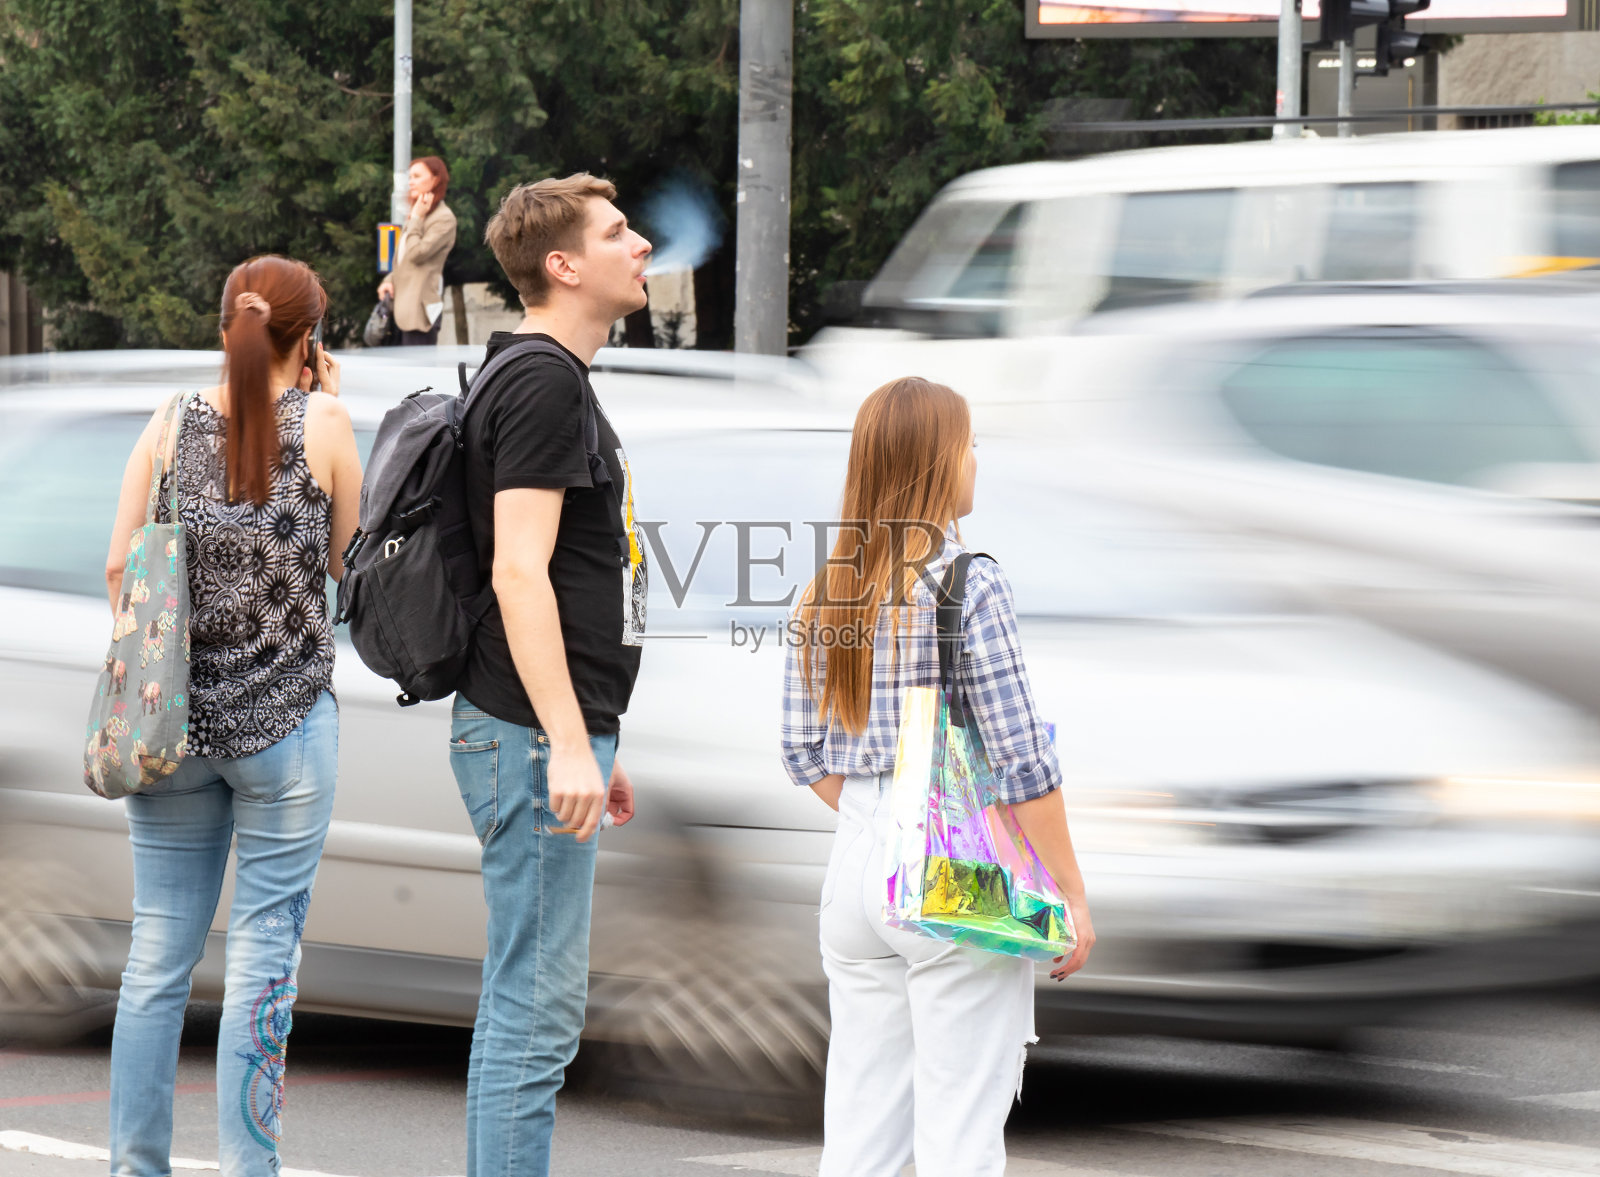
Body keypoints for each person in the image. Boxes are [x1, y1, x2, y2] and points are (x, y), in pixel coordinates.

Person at [780, 377, 1097, 1177]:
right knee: (960, 1129)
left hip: (855, 865)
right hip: (953, 867)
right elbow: (1022, 760)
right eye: (968, 445)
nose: (976, 461)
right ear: (935, 464)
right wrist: (1069, 893)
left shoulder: (827, 588)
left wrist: (880, 813)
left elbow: (801, 751)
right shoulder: (969, 583)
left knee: (861, 1129)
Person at [102, 256, 362, 1177]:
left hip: (170, 734)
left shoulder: (167, 423)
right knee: (262, 964)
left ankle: (136, 1167)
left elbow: (119, 573)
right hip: (288, 730)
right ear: (309, 340)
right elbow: (349, 571)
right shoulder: (326, 422)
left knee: (155, 963)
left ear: (225, 327)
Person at [452, 173, 651, 1177]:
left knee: (526, 1003)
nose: (643, 246)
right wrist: (569, 740)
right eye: (619, 233)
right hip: (530, 735)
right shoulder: (540, 381)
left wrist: (593, 732)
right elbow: (518, 571)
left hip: (543, 729)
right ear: (564, 265)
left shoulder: (542, 375)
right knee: (535, 1016)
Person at [377, 155, 458, 345]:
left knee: (417, 373)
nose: (410, 182)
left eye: (417, 176)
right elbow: (402, 257)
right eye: (410, 177)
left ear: (435, 179)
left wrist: (415, 219)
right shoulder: (418, 215)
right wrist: (388, 280)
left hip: (420, 315)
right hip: (399, 310)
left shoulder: (443, 218)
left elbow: (416, 254)